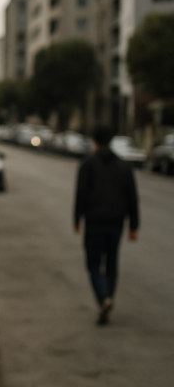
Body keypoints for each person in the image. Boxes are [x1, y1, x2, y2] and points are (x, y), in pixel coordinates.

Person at [74, 126, 139, 325]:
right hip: (117, 222)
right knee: (111, 262)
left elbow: (81, 195)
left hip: (94, 222)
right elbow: (132, 198)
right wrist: (134, 226)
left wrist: (77, 219)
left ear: (94, 142)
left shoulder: (88, 165)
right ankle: (108, 297)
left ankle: (104, 298)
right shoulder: (124, 167)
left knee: (93, 264)